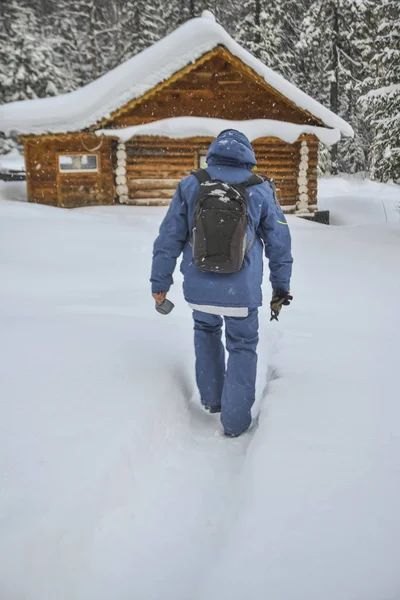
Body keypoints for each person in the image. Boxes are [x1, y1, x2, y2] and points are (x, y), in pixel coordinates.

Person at [151, 129, 293, 437]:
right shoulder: (259, 189)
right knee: (242, 345)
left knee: (206, 330)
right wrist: (281, 287)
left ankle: (213, 400)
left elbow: (168, 237)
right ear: (247, 156)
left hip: (199, 290)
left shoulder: (191, 184)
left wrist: (159, 280)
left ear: (214, 152)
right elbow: (280, 242)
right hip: (241, 292)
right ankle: (235, 421)